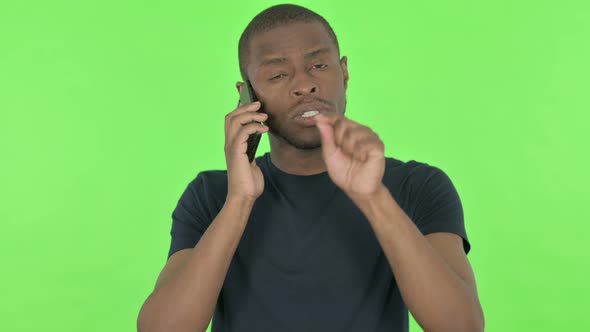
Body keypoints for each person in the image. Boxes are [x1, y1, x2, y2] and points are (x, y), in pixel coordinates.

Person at [137, 4, 484, 332]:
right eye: (277, 74)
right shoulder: (211, 195)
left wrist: (374, 199)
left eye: (318, 66)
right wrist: (239, 200)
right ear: (247, 95)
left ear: (344, 72)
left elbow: (460, 325)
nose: (304, 85)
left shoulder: (417, 185)